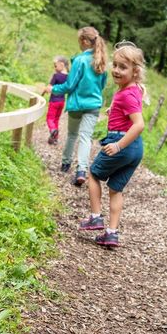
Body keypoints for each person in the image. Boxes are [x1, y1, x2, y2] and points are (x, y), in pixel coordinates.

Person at [78, 42, 147, 248]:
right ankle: (111, 233)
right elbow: (128, 108)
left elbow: (139, 124)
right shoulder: (133, 89)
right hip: (136, 149)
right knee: (116, 190)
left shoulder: (126, 94)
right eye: (115, 65)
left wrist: (117, 146)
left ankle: (96, 217)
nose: (116, 70)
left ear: (135, 71)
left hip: (122, 142)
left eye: (122, 67)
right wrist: (113, 110)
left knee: (93, 174)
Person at [44, 26, 107, 186]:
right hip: (93, 105)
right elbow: (102, 85)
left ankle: (65, 164)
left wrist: (53, 89)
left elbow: (69, 85)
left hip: (77, 105)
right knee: (86, 137)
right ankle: (81, 170)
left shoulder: (80, 60)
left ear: (85, 41)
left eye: (79, 40)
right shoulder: (101, 61)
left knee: (72, 135)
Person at [44, 56, 69, 145]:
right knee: (56, 119)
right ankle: (55, 138)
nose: (54, 68)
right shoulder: (69, 77)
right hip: (62, 102)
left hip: (54, 101)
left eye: (55, 66)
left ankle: (53, 130)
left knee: (50, 118)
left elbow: (49, 87)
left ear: (61, 65)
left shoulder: (56, 76)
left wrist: (44, 91)